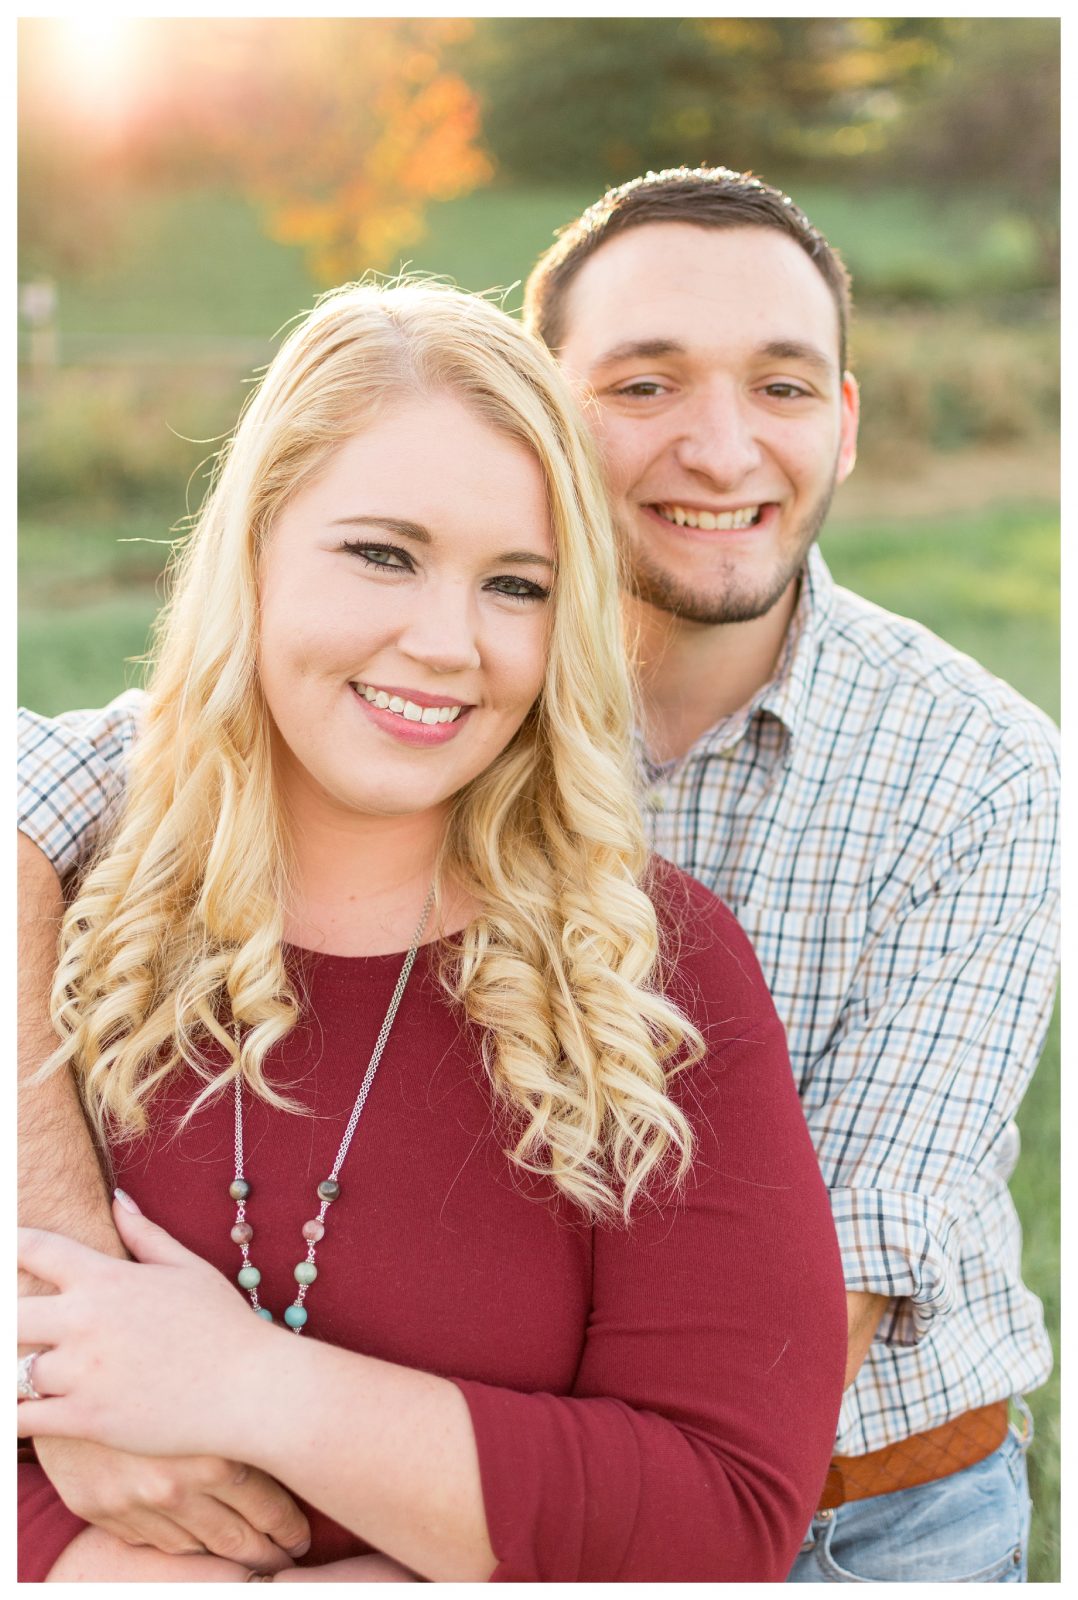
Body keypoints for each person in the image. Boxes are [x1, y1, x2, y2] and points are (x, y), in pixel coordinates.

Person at [18, 166, 1059, 1582]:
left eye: (782, 386)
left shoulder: (967, 778)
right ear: (545, 409)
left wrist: (328, 1466)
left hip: (885, 1502)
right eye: (643, 385)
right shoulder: (119, 872)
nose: (719, 447)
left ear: (844, 419)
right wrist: (56, 1343)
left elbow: (787, 1376)